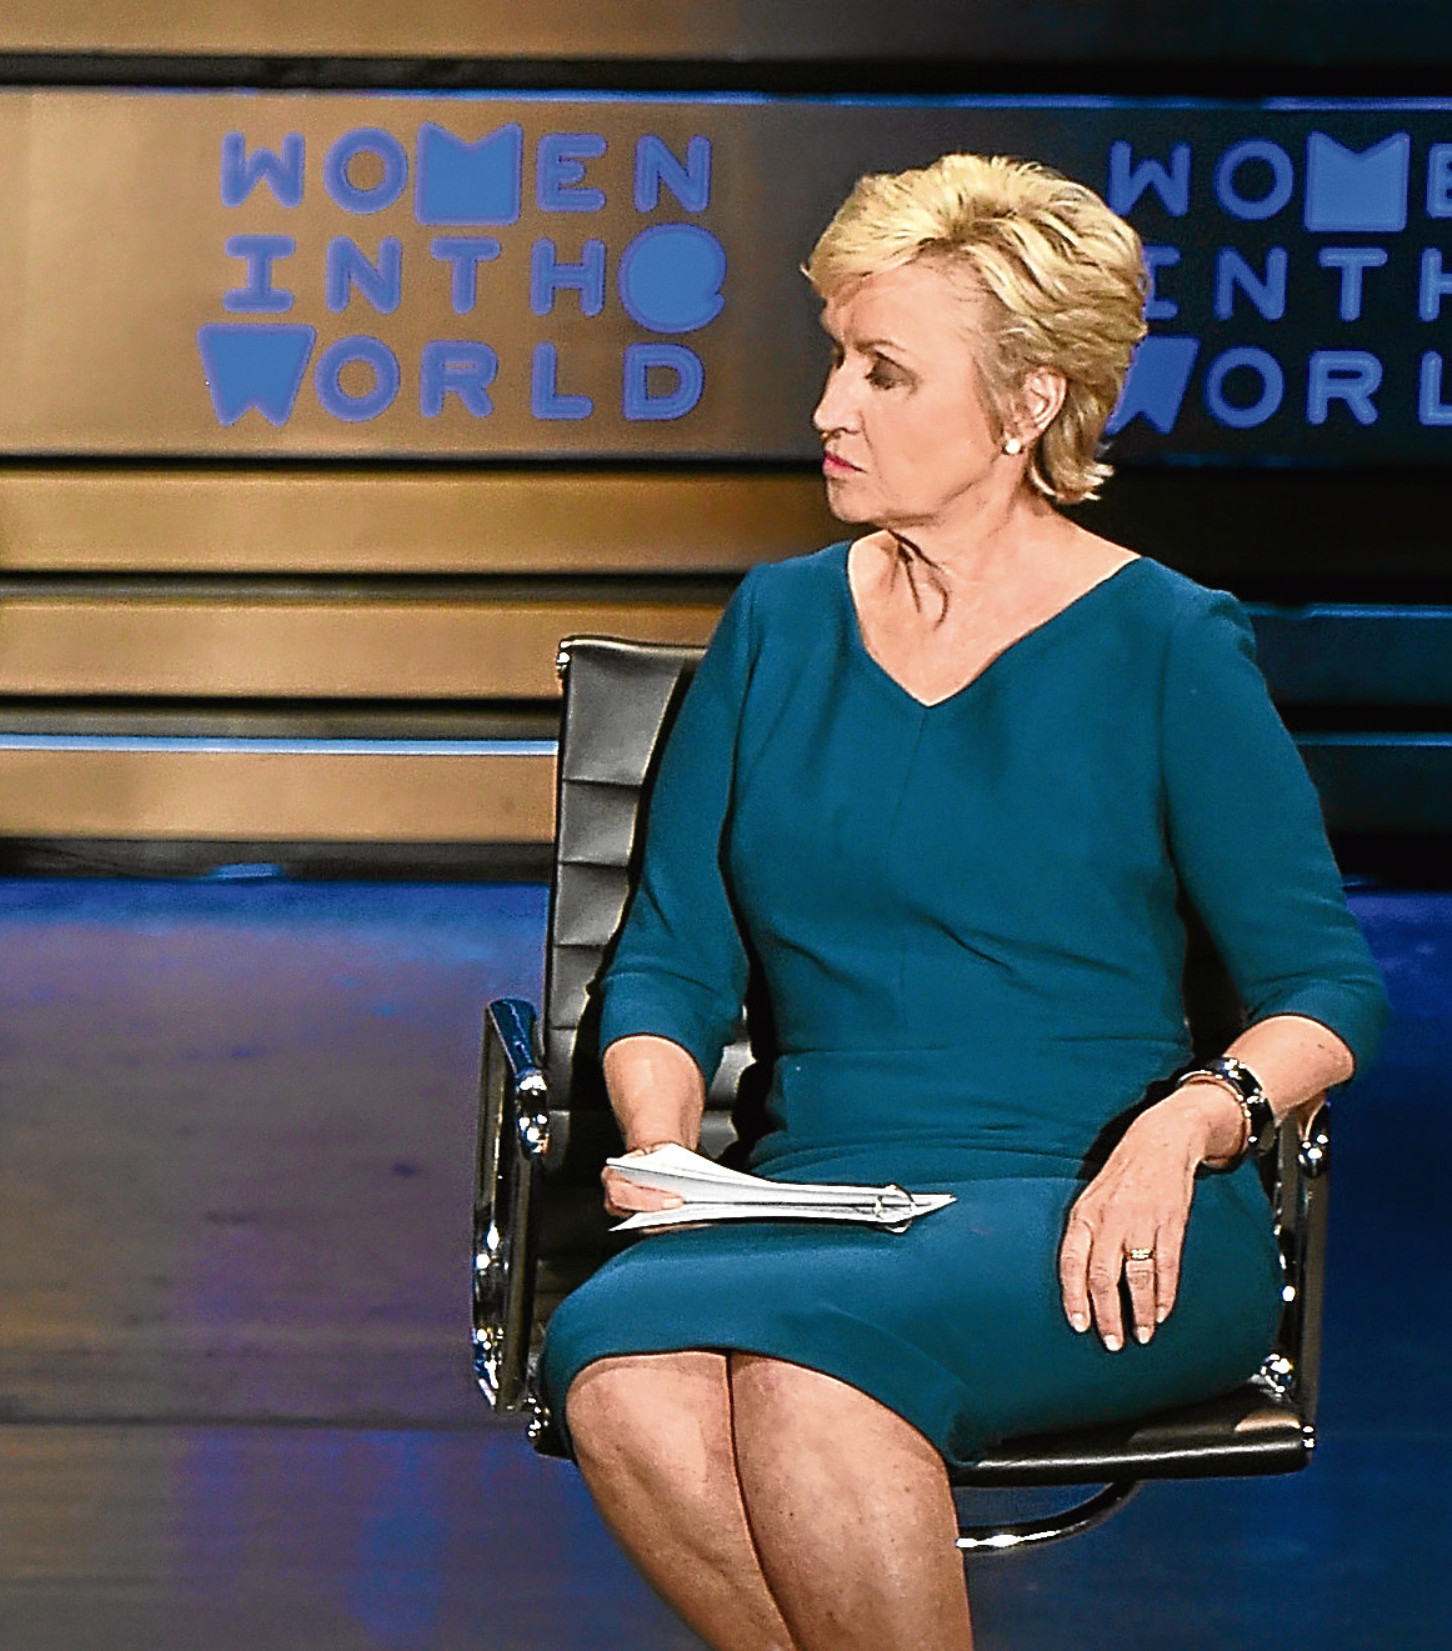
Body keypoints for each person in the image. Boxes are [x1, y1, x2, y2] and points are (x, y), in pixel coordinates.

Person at [538, 154, 1388, 1651]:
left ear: (1026, 406)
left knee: (813, 1374)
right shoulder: (779, 622)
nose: (828, 410)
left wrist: (1188, 1124)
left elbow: (1327, 987)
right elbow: (670, 959)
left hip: (1094, 1211)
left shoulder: (1169, 644)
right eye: (836, 365)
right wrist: (669, 1152)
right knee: (616, 1359)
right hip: (814, 1190)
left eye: (884, 374)